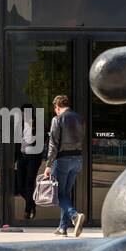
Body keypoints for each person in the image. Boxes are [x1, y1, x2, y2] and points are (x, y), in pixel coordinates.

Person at [41, 94, 85, 236]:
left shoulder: (57, 119)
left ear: (57, 107)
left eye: (55, 108)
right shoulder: (79, 118)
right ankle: (62, 228)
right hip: (77, 159)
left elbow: (53, 144)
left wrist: (48, 164)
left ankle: (74, 216)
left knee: (59, 194)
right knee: (65, 194)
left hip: (62, 160)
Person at [13, 102, 43, 220]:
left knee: (29, 184)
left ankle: (27, 210)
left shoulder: (38, 123)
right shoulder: (19, 125)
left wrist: (32, 126)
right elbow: (16, 143)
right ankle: (32, 204)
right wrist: (14, 159)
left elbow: (42, 138)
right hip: (22, 157)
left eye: (23, 113)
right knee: (20, 186)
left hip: (33, 157)